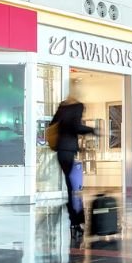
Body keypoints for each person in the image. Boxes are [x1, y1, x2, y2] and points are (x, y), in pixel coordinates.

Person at [51, 94, 97, 239]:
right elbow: (75, 127)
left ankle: (75, 220)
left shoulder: (62, 107)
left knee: (70, 186)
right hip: (68, 150)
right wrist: (92, 130)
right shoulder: (77, 107)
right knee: (72, 188)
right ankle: (75, 220)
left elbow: (53, 124)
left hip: (60, 151)